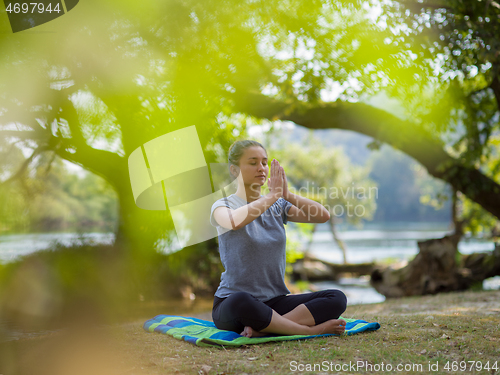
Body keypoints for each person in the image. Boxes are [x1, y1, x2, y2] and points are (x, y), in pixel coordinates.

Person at [209, 140, 347, 338]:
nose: (261, 168)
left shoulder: (278, 205)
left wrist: (286, 194)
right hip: (234, 305)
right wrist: (272, 196)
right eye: (253, 162)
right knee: (242, 300)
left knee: (336, 298)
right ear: (234, 169)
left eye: (264, 163)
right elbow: (234, 222)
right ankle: (308, 331)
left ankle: (265, 329)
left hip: (275, 302)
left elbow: (322, 215)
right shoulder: (222, 205)